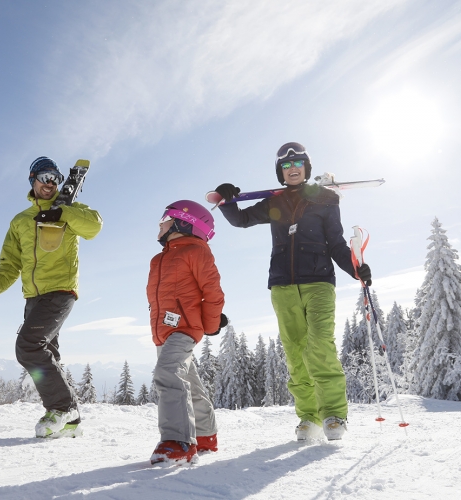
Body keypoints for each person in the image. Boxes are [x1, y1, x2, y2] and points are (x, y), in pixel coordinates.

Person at [214, 142, 372, 441]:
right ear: (280, 172)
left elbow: (336, 243)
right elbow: (241, 220)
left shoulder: (325, 200)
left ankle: (334, 415)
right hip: (282, 285)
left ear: (307, 168)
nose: (292, 168)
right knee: (295, 352)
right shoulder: (275, 204)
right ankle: (308, 418)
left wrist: (355, 270)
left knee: (320, 345)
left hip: (318, 282)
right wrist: (227, 200)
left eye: (298, 163)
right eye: (286, 166)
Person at [0, 156, 103, 438]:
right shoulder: (20, 221)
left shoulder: (71, 210)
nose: (50, 183)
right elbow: (9, 265)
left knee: (28, 346)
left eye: (55, 177)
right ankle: (70, 421)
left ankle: (62, 407)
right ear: (33, 181)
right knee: (47, 352)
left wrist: (62, 214)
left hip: (61, 291)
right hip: (33, 298)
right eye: (45, 177)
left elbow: (94, 227)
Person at [147, 200, 226, 465]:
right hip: (163, 330)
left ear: (184, 222)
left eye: (165, 219)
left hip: (184, 328)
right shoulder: (158, 259)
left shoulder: (197, 252)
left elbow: (213, 293)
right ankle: (205, 434)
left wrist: (211, 324)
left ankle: (178, 442)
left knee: (167, 372)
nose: (160, 224)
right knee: (188, 381)